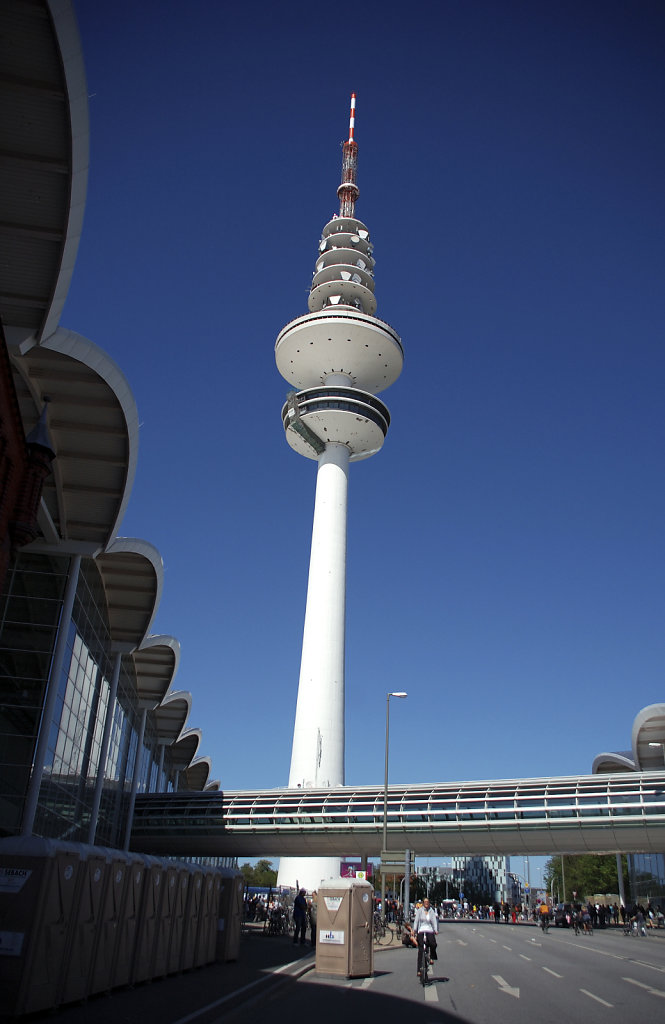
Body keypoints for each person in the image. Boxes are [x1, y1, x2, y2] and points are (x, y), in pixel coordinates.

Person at [413, 896, 438, 976]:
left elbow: (434, 921)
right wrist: (414, 930)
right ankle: (419, 970)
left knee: (433, 944)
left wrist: (435, 930)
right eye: (425, 902)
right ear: (423, 903)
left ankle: (431, 957)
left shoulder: (431, 911)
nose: (426, 903)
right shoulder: (419, 911)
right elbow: (416, 921)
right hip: (421, 929)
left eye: (428, 902)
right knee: (420, 950)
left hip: (429, 929)